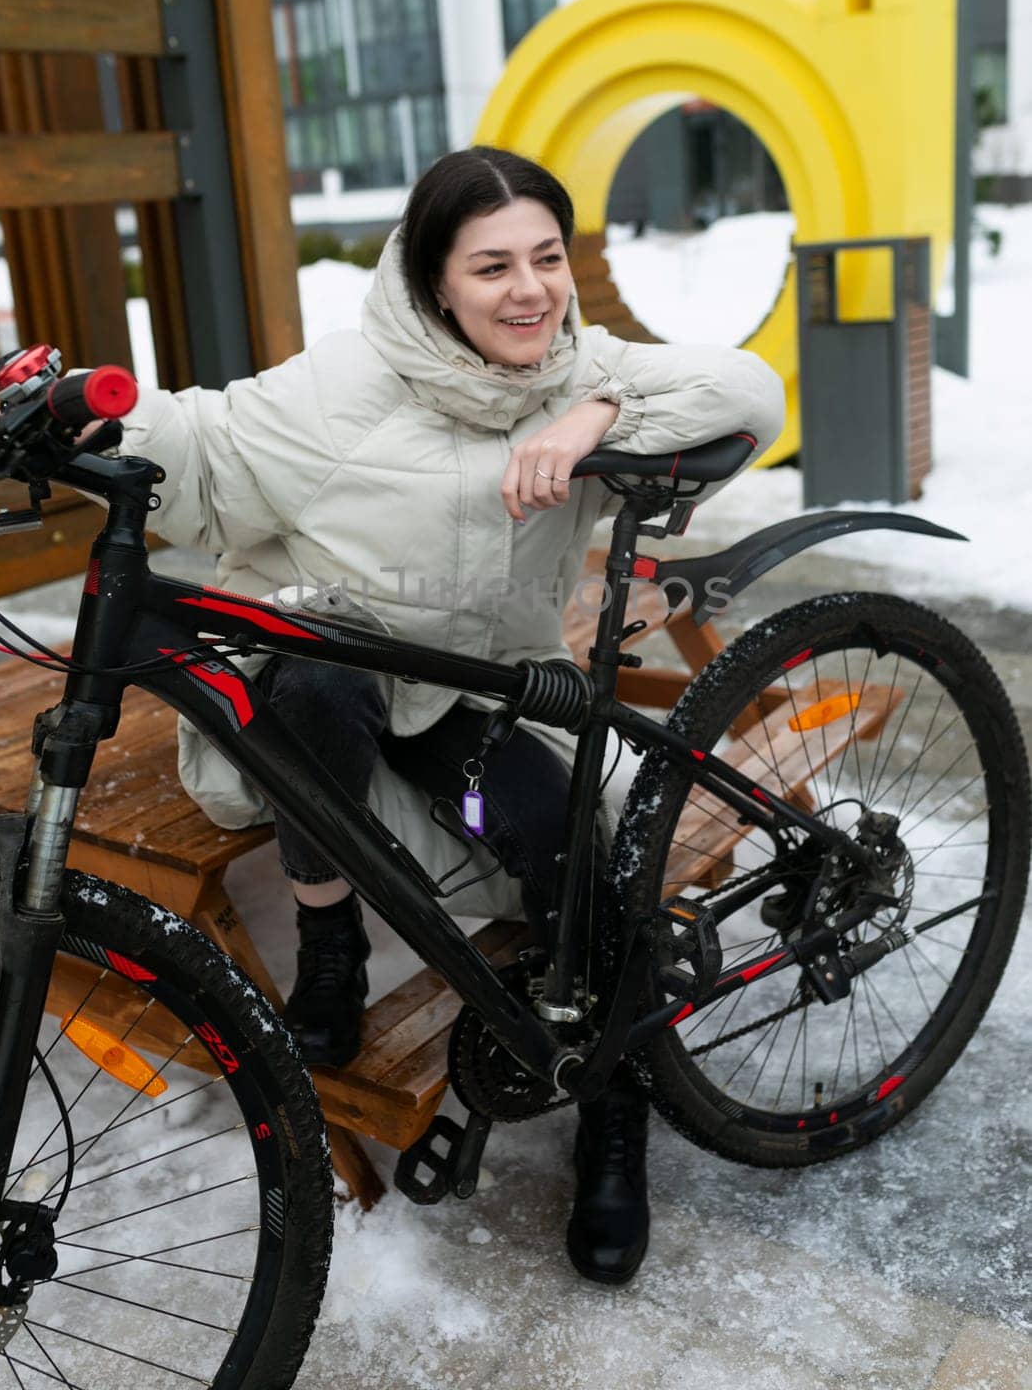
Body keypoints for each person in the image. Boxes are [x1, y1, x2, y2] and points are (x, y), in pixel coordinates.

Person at [113, 146, 785, 1284]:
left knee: (574, 856)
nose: (529, 290)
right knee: (305, 690)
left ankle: (614, 1102)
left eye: (545, 257)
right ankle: (329, 955)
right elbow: (204, 441)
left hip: (491, 688)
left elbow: (746, 389)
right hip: (353, 672)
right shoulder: (341, 387)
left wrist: (593, 414)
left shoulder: (576, 362)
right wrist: (92, 418)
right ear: (433, 282)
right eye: (491, 267)